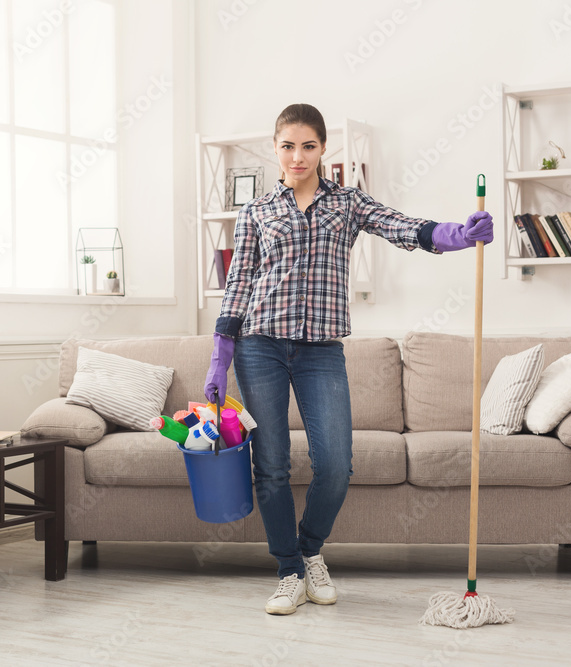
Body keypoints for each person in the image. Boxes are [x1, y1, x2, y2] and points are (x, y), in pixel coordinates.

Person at [204, 103, 493, 616]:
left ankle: (311, 550)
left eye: (308, 146)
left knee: (336, 465)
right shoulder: (255, 212)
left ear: (323, 149)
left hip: (321, 352)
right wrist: (220, 356)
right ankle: (289, 570)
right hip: (259, 347)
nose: (297, 156)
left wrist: (458, 235)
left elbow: (403, 227)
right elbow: (239, 284)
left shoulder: (347, 203)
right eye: (288, 146)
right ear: (275, 148)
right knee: (269, 466)